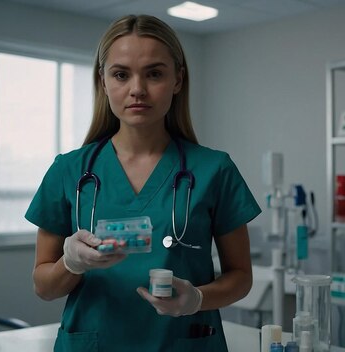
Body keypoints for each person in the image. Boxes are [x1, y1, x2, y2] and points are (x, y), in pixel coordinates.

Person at [26, 14, 261, 352]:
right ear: (103, 82)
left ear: (177, 80)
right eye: (121, 74)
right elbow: (44, 287)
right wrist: (71, 264)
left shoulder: (214, 169)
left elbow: (241, 277)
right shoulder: (69, 170)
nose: (137, 89)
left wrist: (196, 299)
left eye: (154, 73)